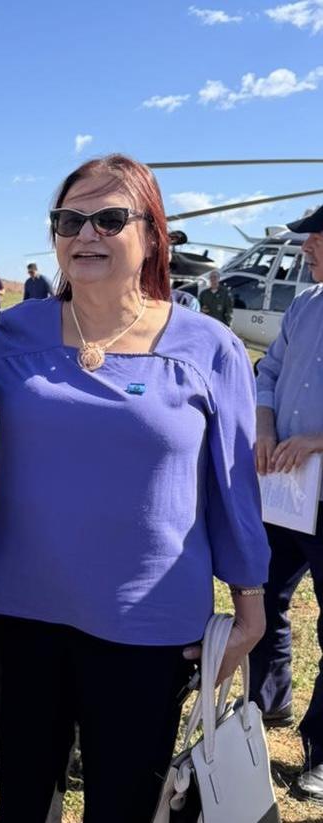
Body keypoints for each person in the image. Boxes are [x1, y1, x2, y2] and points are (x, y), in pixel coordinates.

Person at [0, 154, 269, 823]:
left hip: (146, 627)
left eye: (109, 218)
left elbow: (232, 484)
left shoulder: (208, 346)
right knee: (22, 798)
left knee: (124, 806)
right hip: (20, 616)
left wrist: (250, 599)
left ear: (152, 235)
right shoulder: (11, 333)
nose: (85, 234)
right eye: (69, 219)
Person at [248, 204, 323, 803]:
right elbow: (268, 370)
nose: (306, 251)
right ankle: (263, 703)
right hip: (284, 495)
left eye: (317, 240)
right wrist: (266, 426)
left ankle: (321, 752)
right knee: (261, 597)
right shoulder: (304, 306)